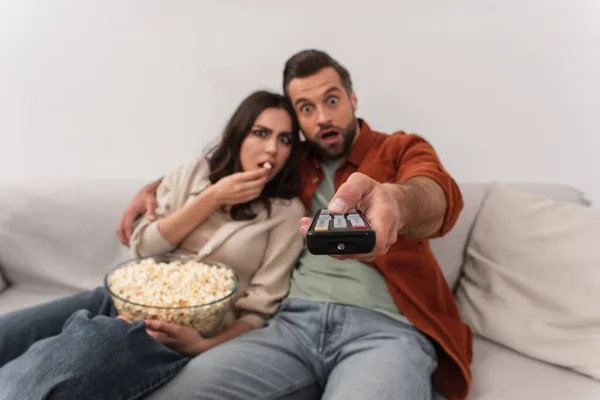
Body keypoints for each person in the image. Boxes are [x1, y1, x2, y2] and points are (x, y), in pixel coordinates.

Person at [120, 50, 473, 400]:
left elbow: (437, 196)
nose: (322, 117)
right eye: (306, 108)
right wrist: (151, 189)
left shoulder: (400, 148)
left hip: (386, 330)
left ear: (352, 99)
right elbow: (224, 165)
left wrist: (396, 201)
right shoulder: (292, 162)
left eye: (331, 100)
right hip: (289, 326)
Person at [0, 90, 306, 400]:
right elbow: (143, 247)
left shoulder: (286, 214)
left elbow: (258, 311)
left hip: (173, 330)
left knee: (71, 360)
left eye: (285, 140)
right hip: (116, 298)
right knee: (7, 333)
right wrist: (212, 198)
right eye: (260, 133)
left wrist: (202, 345)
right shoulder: (195, 173)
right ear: (238, 134)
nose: (272, 149)